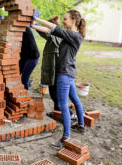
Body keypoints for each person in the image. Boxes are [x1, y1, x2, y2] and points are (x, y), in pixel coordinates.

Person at [31, 9, 86, 148]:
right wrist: (33, 26)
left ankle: (65, 137)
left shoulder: (75, 36)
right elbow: (49, 31)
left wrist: (36, 19)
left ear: (74, 20)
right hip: (68, 73)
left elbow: (54, 28)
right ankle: (81, 125)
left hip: (64, 73)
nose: (63, 21)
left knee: (62, 105)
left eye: (66, 19)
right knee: (74, 99)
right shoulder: (69, 35)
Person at [35, 15, 62, 112]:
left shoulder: (57, 37)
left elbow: (45, 33)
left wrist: (34, 25)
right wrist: (35, 24)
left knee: (56, 95)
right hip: (52, 70)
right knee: (53, 93)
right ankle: (56, 112)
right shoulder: (53, 37)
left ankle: (64, 112)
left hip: (57, 71)